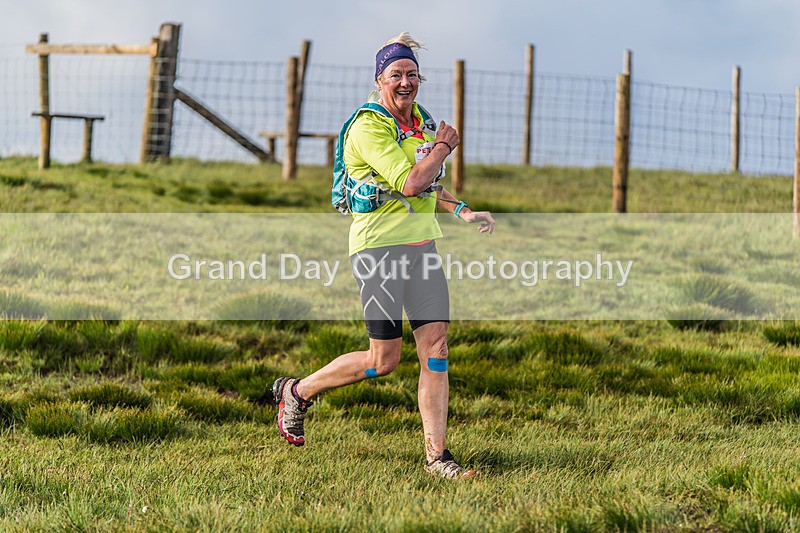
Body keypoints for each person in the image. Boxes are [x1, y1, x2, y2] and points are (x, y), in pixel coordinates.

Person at [272, 32, 496, 479]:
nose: (406, 82)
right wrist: (445, 147)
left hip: (422, 247)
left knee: (436, 348)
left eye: (413, 74)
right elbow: (412, 181)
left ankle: (438, 458)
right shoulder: (369, 126)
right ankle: (298, 392)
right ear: (380, 81)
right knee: (383, 362)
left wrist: (462, 209)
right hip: (378, 251)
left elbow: (429, 184)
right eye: (396, 74)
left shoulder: (422, 122)